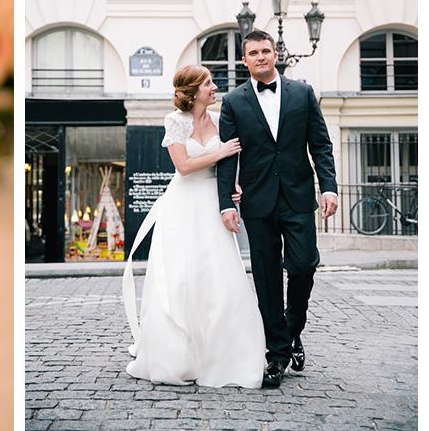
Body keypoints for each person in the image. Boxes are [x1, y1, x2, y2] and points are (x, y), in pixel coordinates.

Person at [122, 65, 265, 388]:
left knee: (218, 277)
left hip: (212, 204)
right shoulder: (175, 122)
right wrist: (221, 152)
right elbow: (184, 166)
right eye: (208, 84)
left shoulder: (219, 121)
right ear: (193, 91)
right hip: (184, 205)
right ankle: (178, 355)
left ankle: (222, 354)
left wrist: (234, 186)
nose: (215, 88)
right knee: (182, 277)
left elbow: (226, 166)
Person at [216, 30, 338, 388]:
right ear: (244, 60)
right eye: (252, 53)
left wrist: (328, 186)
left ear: (274, 54)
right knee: (267, 278)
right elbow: (227, 156)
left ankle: (292, 326)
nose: (260, 57)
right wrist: (225, 203)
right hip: (257, 201)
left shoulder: (302, 93)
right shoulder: (233, 102)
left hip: (298, 197)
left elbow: (321, 144)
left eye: (265, 51)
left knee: (303, 265)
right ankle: (277, 354)